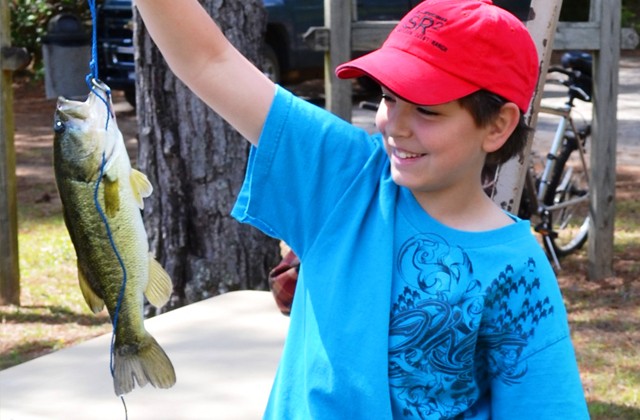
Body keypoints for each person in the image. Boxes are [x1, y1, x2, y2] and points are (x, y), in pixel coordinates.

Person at [134, 0, 589, 418]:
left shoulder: (519, 273)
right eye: (390, 98)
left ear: (497, 125)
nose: (396, 125)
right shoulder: (345, 177)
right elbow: (209, 60)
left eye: (427, 110)